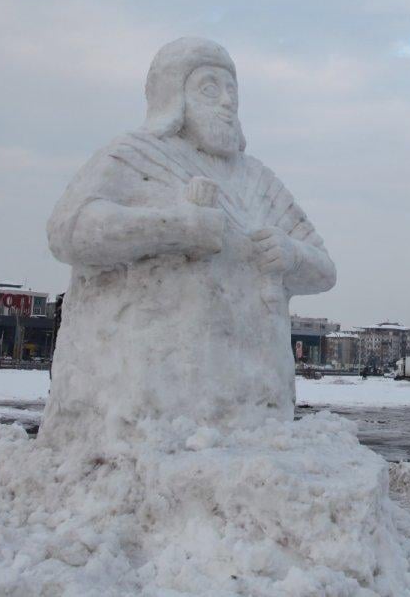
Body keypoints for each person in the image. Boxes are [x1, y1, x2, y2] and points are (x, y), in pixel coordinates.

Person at [40, 38, 336, 451]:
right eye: (210, 89)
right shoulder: (135, 155)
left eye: (233, 91)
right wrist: (177, 228)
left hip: (256, 410)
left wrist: (291, 253)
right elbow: (70, 231)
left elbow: (324, 269)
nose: (227, 103)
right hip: (150, 414)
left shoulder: (259, 180)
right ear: (172, 96)